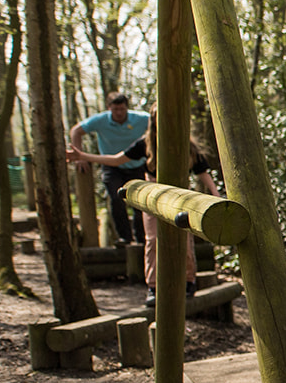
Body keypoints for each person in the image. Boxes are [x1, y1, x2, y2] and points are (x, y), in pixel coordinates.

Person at [67, 107, 220, 308]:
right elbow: (117, 159)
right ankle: (153, 286)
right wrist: (84, 157)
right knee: (153, 240)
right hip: (155, 196)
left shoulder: (186, 144)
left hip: (181, 196)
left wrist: (216, 195)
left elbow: (202, 172)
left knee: (184, 237)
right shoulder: (146, 144)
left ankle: (188, 281)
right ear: (154, 121)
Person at [69, 92, 149, 245]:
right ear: (109, 108)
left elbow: (159, 126)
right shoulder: (100, 120)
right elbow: (76, 131)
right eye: (115, 109)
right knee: (116, 198)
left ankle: (142, 238)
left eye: (122, 109)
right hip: (111, 166)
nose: (118, 113)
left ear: (127, 108)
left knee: (140, 204)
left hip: (137, 165)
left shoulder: (142, 119)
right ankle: (124, 237)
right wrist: (79, 157)